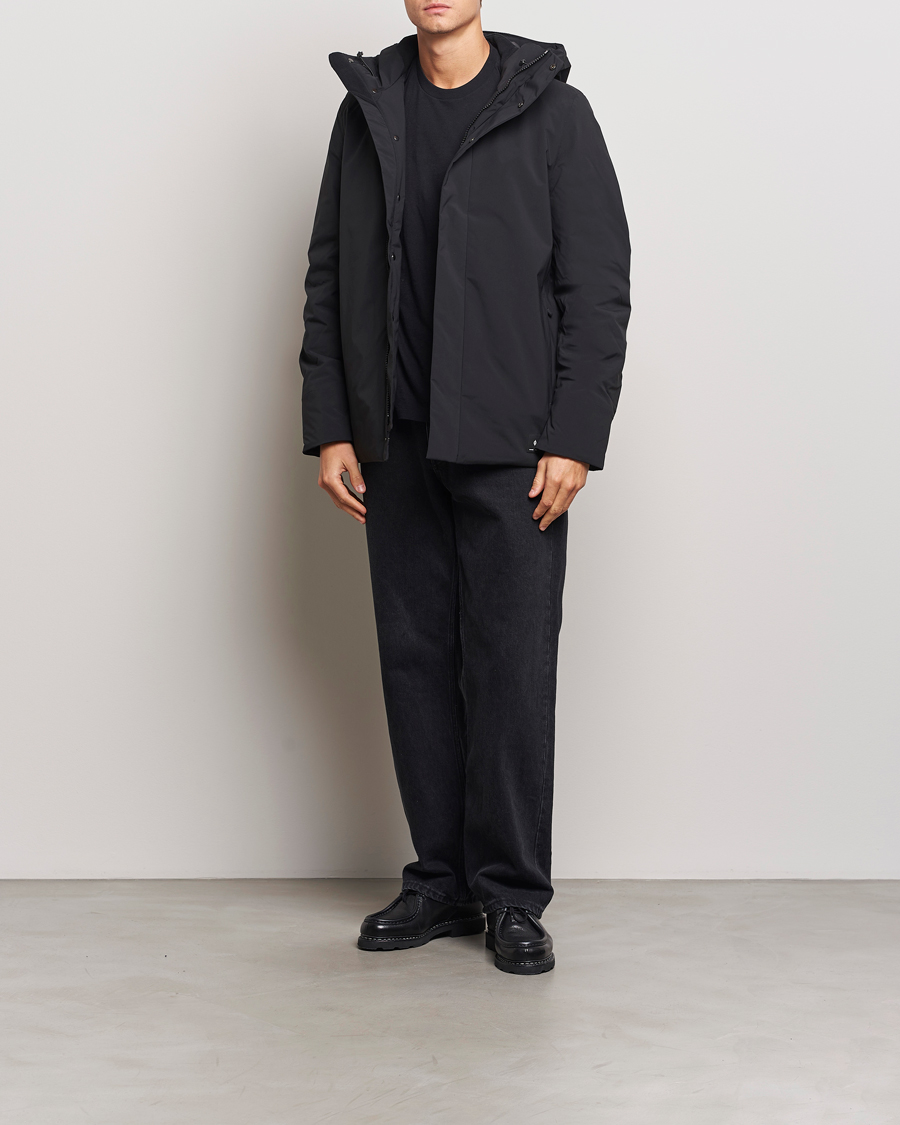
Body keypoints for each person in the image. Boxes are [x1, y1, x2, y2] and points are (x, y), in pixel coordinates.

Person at [300, 0, 629, 975]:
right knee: (414, 662)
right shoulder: (368, 110)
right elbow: (329, 275)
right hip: (393, 440)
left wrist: (573, 436)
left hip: (512, 446)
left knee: (512, 668)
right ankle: (440, 881)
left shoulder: (553, 112)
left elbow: (596, 284)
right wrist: (332, 424)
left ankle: (512, 893)